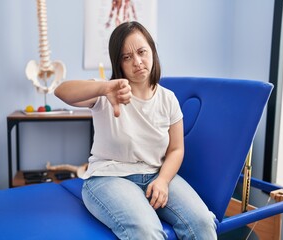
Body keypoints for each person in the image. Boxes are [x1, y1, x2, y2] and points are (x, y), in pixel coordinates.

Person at [54, 21, 217, 240]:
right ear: (118, 63)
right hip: (108, 177)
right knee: (147, 231)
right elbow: (61, 91)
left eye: (142, 52)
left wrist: (163, 181)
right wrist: (104, 88)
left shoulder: (168, 98)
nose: (137, 62)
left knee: (203, 222)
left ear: (152, 51)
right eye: (126, 57)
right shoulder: (108, 91)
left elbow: (176, 149)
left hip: (156, 174)